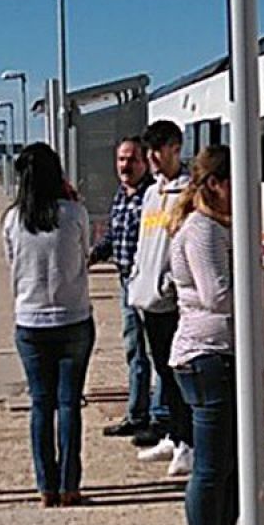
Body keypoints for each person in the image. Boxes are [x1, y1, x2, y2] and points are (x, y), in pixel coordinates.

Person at [3, 143, 96, 508]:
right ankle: (71, 485)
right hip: (73, 318)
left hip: (29, 321)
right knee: (69, 404)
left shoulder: (11, 220)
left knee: (41, 405)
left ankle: (46, 487)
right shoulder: (74, 213)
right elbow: (85, 255)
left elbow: (11, 263)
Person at [166, 145, 241, 525]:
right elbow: (217, 295)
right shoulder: (203, 230)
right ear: (214, 183)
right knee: (212, 469)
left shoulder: (210, 227)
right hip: (207, 354)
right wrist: (263, 292)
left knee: (228, 466)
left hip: (213, 354)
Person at [127, 120, 194, 476]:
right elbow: (145, 242)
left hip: (170, 299)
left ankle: (188, 441)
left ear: (175, 148)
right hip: (147, 296)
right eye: (148, 150)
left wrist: (170, 283)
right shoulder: (152, 193)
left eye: (158, 150)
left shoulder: (187, 192)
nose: (152, 158)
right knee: (163, 373)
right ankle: (173, 433)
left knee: (177, 372)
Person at [90, 137, 156, 438]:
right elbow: (113, 237)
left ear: (144, 163)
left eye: (131, 160)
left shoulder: (152, 196)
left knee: (157, 352)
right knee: (134, 349)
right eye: (121, 160)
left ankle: (159, 418)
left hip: (149, 282)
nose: (125, 166)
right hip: (126, 280)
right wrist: (91, 255)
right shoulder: (121, 196)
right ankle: (137, 414)